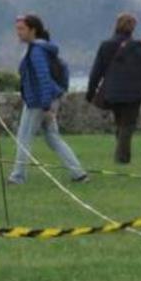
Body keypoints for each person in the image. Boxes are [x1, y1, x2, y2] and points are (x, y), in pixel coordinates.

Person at [9, 14, 87, 185]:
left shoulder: (36, 52)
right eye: (17, 29)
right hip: (46, 100)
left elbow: (43, 78)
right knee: (53, 138)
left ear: (32, 30)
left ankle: (17, 176)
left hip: (37, 103)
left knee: (24, 139)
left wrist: (46, 106)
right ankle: (78, 173)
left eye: (21, 29)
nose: (18, 33)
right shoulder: (41, 49)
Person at [87, 12, 141, 165]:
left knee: (120, 123)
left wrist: (91, 92)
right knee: (128, 125)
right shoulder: (139, 47)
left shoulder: (106, 46)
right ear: (132, 29)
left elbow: (96, 71)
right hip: (134, 92)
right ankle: (122, 158)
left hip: (112, 91)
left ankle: (121, 154)